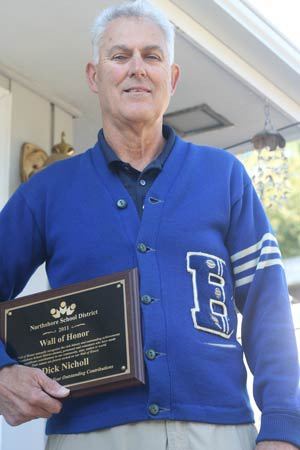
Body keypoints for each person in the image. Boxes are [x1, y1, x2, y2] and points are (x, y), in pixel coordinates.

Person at [0, 1, 299, 449]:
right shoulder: (46, 192)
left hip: (218, 432)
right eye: (119, 56)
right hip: (90, 436)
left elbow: (267, 307)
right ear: (93, 76)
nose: (137, 69)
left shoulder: (224, 177)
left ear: (172, 79)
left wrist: (282, 425)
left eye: (152, 56)